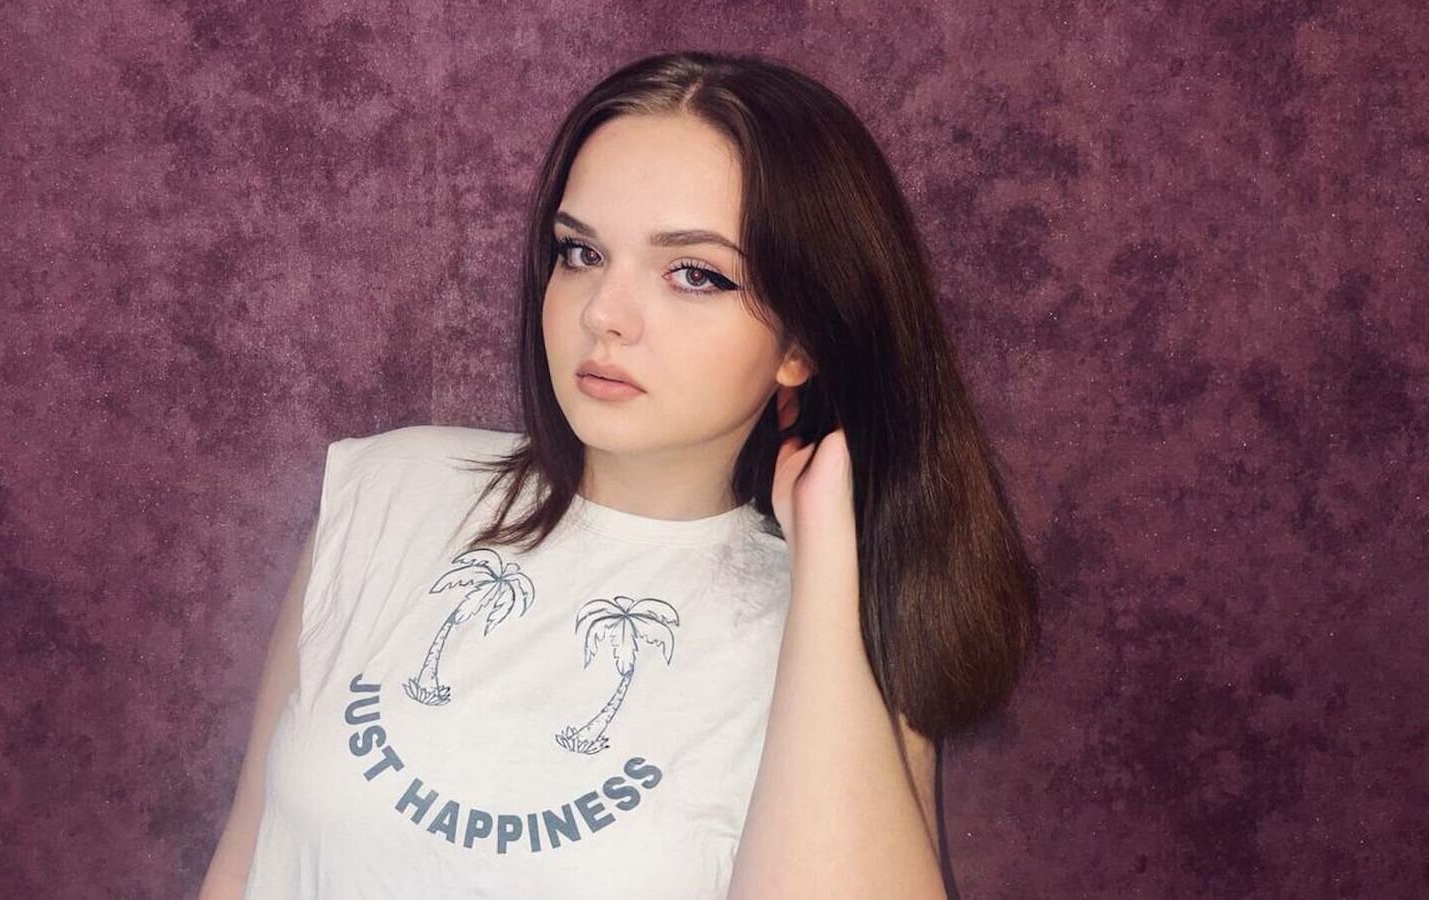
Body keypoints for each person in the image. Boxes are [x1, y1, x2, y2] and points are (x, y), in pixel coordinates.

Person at [198, 50, 1040, 899]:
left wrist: (827, 549)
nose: (603, 312)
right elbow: (244, 862)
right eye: (581, 252)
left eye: (694, 274)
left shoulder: (847, 628)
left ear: (802, 342)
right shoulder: (388, 492)